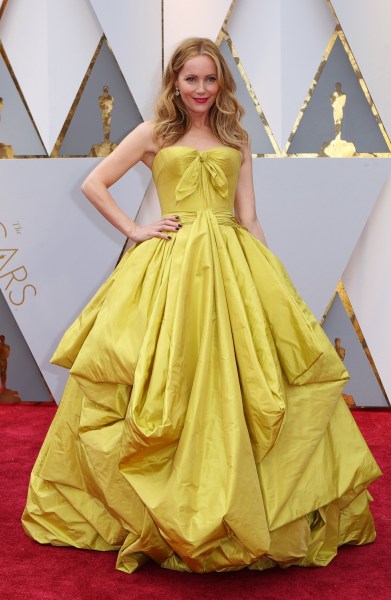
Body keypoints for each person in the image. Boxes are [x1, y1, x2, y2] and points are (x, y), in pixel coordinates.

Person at [22, 37, 381, 574]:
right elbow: (96, 183)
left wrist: (269, 276)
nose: (201, 89)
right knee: (166, 374)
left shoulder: (236, 136)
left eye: (210, 79)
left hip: (233, 261)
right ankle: (159, 508)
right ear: (174, 81)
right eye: (191, 79)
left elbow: (250, 215)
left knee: (245, 378)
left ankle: (245, 499)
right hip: (171, 263)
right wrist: (137, 230)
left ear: (222, 84)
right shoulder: (153, 134)